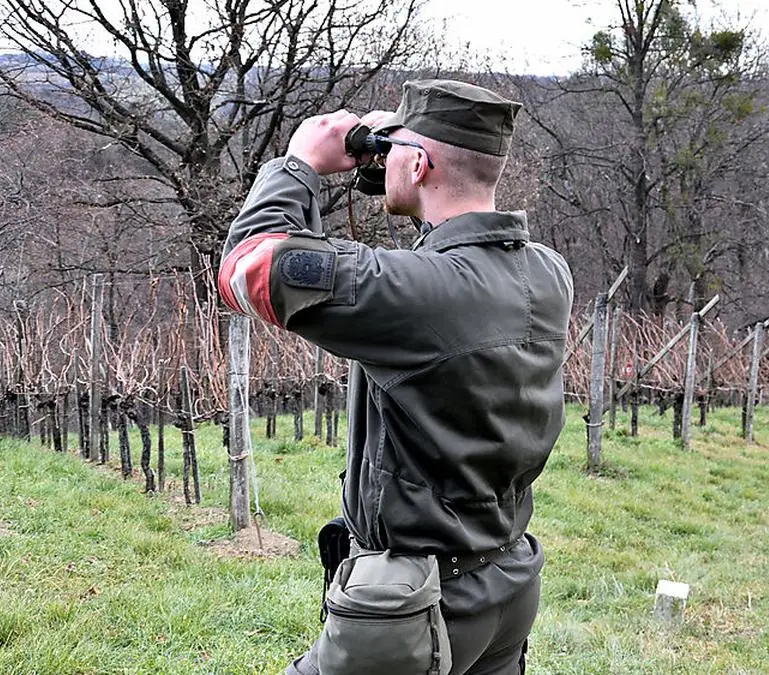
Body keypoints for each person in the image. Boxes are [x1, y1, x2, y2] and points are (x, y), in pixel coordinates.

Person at [217, 79, 574, 675]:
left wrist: (299, 165)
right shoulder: (546, 273)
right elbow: (451, 275)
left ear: (418, 162)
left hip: (414, 603)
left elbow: (247, 267)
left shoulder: (421, 294)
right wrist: (406, 162)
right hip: (505, 584)